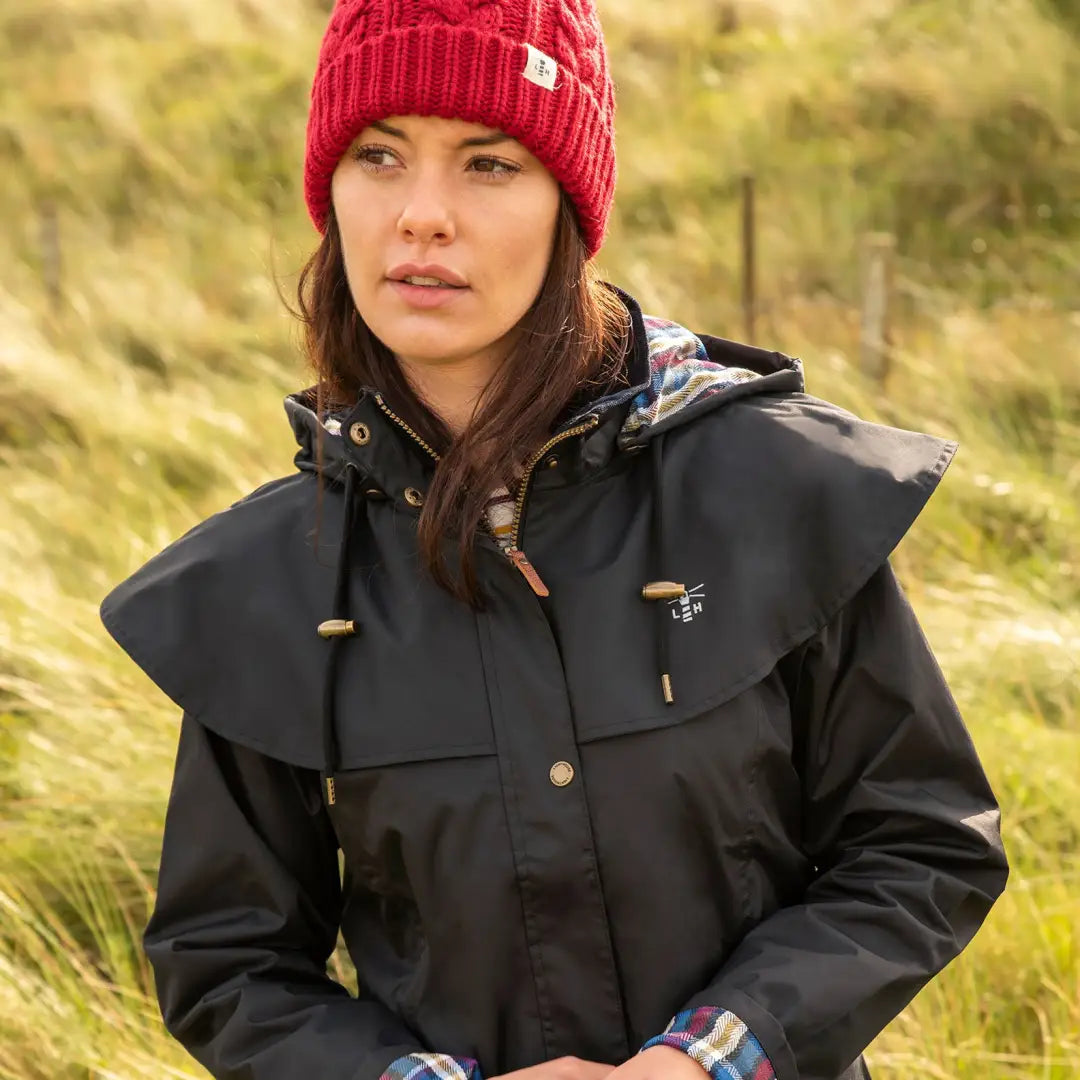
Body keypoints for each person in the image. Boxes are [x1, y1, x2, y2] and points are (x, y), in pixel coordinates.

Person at [98, 1, 1009, 1078]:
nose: (422, 216)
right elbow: (229, 961)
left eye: (489, 165)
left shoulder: (771, 489)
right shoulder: (266, 585)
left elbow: (918, 845)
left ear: (570, 204)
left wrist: (708, 1061)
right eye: (379, 155)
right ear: (329, 190)